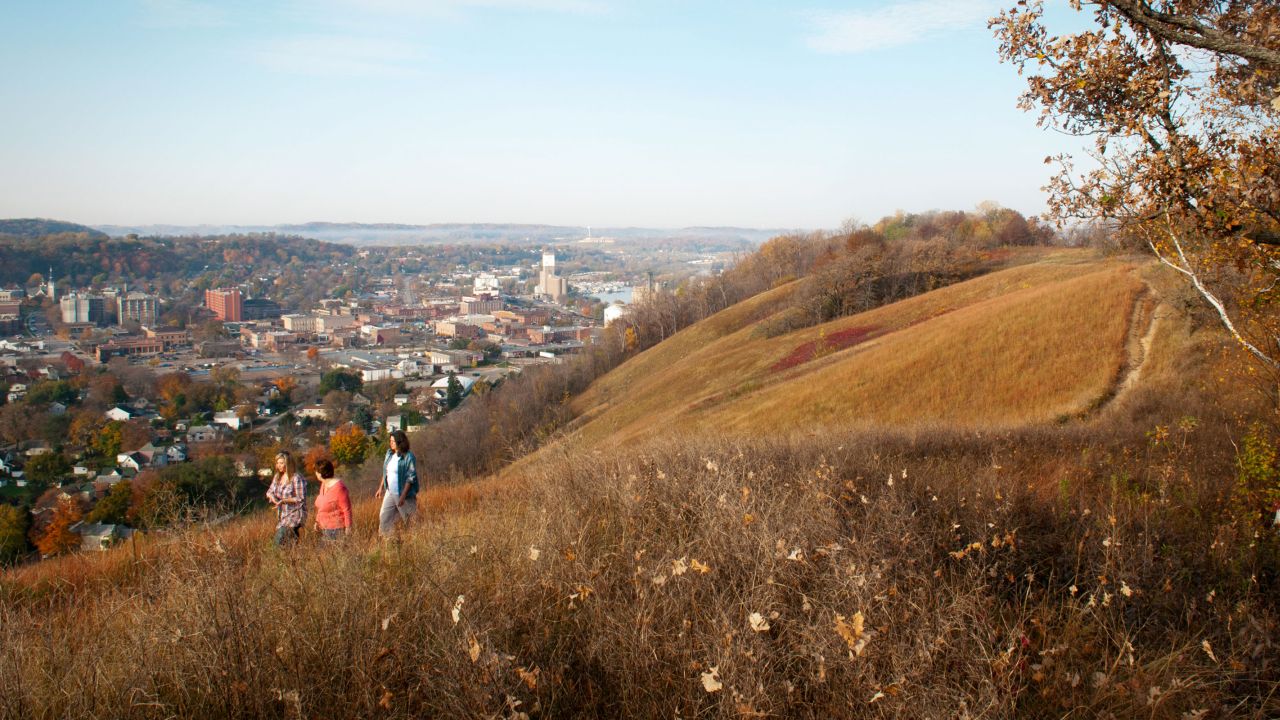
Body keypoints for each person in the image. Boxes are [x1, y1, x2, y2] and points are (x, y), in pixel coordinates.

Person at [376, 429, 419, 536]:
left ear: (400, 442)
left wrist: (403, 496)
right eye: (390, 441)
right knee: (384, 517)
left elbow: (411, 477)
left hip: (403, 494)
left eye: (393, 441)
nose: (390, 443)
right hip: (390, 492)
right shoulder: (389, 454)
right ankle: (388, 541)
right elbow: (386, 471)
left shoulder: (408, 457)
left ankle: (415, 542)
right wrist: (380, 488)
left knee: (410, 520)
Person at [265, 451, 306, 546]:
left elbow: (301, 498)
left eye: (281, 463)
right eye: (277, 463)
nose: (279, 465)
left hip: (294, 514)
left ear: (288, 464)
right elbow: (269, 491)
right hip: (282, 515)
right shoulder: (277, 477)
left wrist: (283, 501)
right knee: (288, 545)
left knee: (278, 541)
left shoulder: (296, 478)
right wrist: (274, 499)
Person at [312, 458, 352, 542]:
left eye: (316, 472)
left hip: (336, 529)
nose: (315, 474)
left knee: (327, 553)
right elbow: (321, 506)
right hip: (324, 527)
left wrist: (348, 528)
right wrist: (317, 521)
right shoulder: (324, 484)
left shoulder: (339, 488)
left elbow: (347, 509)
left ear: (320, 473)